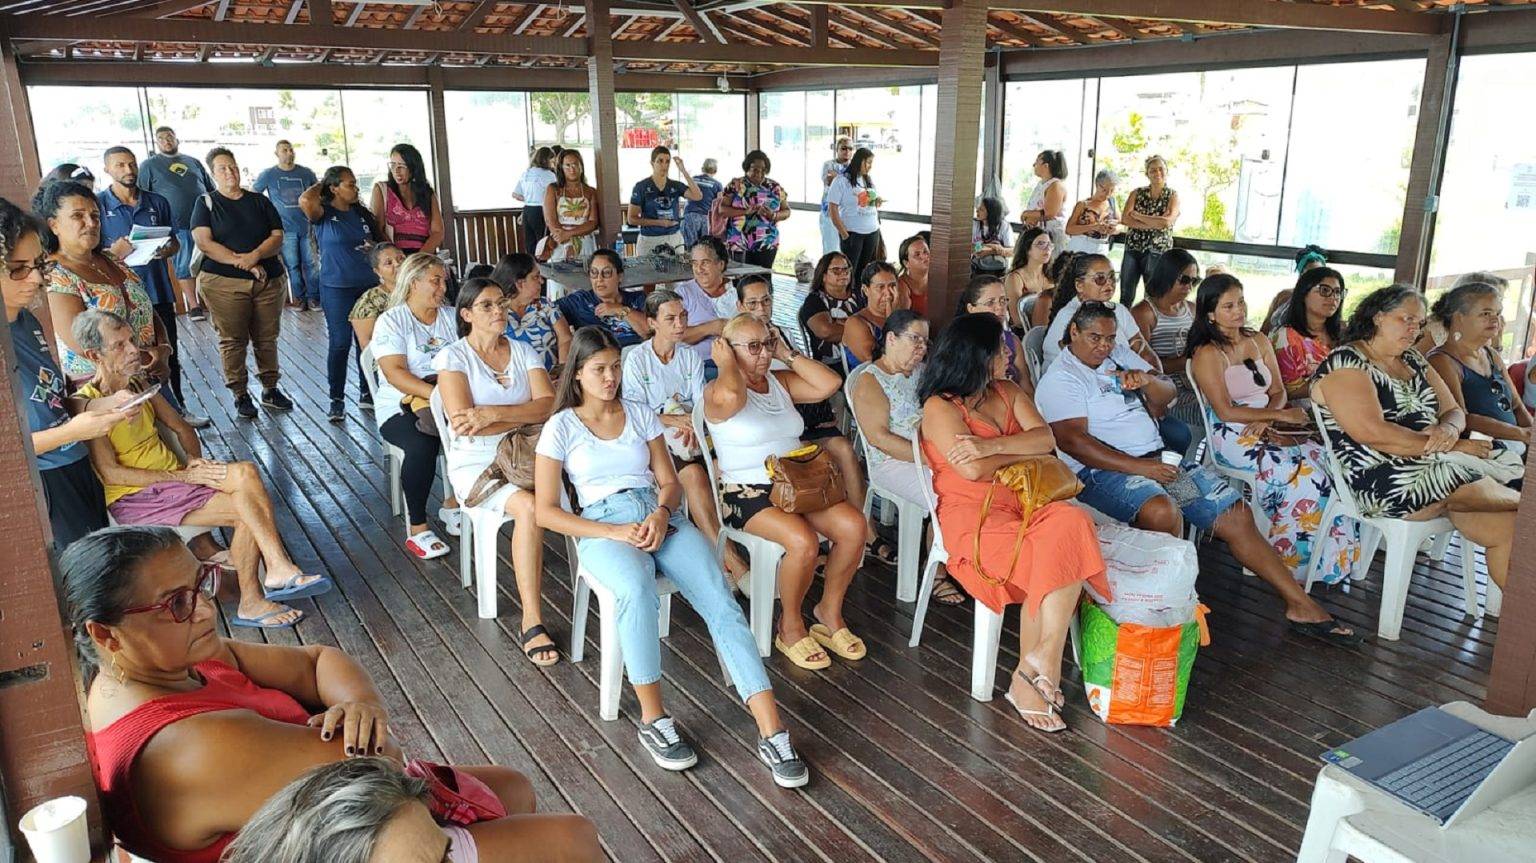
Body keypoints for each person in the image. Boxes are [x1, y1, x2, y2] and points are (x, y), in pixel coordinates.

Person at [64, 526, 600, 863]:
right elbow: (381, 759)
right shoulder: (190, 746)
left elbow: (315, 660)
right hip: (357, 836)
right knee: (573, 839)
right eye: (175, 603)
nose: (206, 609)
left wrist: (362, 705)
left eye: (202, 584)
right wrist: (357, 721)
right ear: (105, 634)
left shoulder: (160, 663)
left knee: (514, 786)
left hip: (353, 821)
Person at [534, 327, 809, 786]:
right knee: (636, 590)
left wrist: (662, 514)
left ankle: (772, 730)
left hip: (658, 514)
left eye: (615, 368)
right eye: (599, 370)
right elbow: (546, 511)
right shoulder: (561, 427)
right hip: (603, 525)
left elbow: (669, 481)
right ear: (577, 374)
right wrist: (613, 531)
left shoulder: (639, 413)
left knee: (720, 598)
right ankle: (654, 719)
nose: (610, 378)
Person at [1037, 301, 1357, 643]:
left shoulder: (1118, 356)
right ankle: (1165, 616)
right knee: (1162, 511)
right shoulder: (1062, 378)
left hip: (1156, 461)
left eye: (1110, 337)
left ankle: (1300, 605)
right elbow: (1072, 442)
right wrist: (1142, 468)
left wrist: (1146, 380)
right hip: (1100, 472)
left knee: (1235, 515)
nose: (1104, 345)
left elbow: (1169, 392)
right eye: (1094, 337)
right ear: (1074, 332)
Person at [73, 309, 331, 628]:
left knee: (247, 473)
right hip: (137, 497)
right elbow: (111, 474)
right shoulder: (89, 405)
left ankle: (275, 570)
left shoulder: (139, 385)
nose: (133, 350)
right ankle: (258, 592)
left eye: (131, 341)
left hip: (176, 484)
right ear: (93, 355)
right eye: (119, 345)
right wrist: (183, 475)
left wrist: (194, 460)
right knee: (247, 509)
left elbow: (182, 428)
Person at [917, 312, 1109, 732]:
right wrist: (1017, 451)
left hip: (1027, 503)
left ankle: (1038, 664)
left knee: (1073, 523)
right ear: (976, 356)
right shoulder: (939, 407)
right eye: (1000, 350)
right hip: (975, 519)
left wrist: (992, 447)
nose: (1009, 355)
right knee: (1055, 556)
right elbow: (970, 472)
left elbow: (1046, 440)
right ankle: (1035, 673)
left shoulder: (1007, 391)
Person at [1313, 285, 1517, 591]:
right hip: (1380, 477)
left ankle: (1520, 616)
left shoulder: (1412, 359)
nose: (1414, 329)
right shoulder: (1348, 362)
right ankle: (1526, 503)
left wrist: (1448, 430)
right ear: (1378, 317)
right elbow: (1372, 433)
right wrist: (1455, 445)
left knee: (1509, 529)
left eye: (1419, 323)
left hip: (1435, 463)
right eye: (1406, 319)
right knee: (1462, 474)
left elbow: (1454, 411)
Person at [703, 314, 868, 671]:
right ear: (727, 351)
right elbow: (733, 395)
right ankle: (790, 626)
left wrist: (785, 353)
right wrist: (727, 363)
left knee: (854, 527)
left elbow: (830, 383)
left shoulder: (779, 382)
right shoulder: (717, 391)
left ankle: (828, 611)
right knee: (802, 541)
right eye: (753, 347)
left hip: (797, 484)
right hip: (746, 493)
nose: (763, 353)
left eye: (767, 343)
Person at [1186, 275, 1359, 585]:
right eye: (1228, 306)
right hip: (1233, 432)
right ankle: (1288, 563)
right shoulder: (1207, 353)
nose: (1239, 310)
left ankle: (1329, 561)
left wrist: (1269, 419)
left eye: (1241, 302)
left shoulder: (1257, 339)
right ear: (1210, 313)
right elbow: (1225, 411)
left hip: (1267, 422)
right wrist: (1275, 416)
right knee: (1302, 475)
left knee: (1330, 462)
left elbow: (1278, 390)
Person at [435, 278, 558, 660]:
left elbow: (549, 405)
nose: (498, 311)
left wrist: (491, 413)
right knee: (529, 507)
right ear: (467, 315)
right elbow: (464, 423)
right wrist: (519, 414)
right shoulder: (454, 357)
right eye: (486, 305)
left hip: (527, 452)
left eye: (501, 303)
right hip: (477, 460)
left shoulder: (522, 351)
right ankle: (532, 619)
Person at [0, 199, 124, 549]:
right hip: (43, 478)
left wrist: (96, 407)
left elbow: (50, 402)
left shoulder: (25, 320)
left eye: (38, 265)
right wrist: (73, 431)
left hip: (75, 460)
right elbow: (9, 448)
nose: (36, 278)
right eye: (17, 269)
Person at [622, 289, 746, 579]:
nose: (680, 324)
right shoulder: (637, 359)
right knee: (693, 475)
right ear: (652, 323)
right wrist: (673, 420)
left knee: (724, 467)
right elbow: (633, 413)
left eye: (683, 316)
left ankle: (735, 543)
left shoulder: (689, 356)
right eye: (671, 319)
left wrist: (691, 423)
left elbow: (700, 401)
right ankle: (730, 560)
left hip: (691, 434)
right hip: (654, 440)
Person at [849, 310, 963, 607]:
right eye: (915, 339)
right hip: (892, 462)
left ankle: (957, 557)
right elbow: (879, 438)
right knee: (949, 495)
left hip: (931, 454)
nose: (922, 348)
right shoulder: (871, 380)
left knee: (969, 483)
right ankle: (936, 570)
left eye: (925, 342)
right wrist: (928, 457)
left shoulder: (923, 372)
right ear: (891, 338)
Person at [97, 147, 206, 426]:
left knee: (167, 353)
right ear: (107, 169)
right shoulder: (98, 206)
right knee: (126, 357)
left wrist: (168, 249)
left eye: (131, 164)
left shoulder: (157, 202)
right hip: (120, 300)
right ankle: (139, 419)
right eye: (120, 165)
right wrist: (114, 254)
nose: (128, 170)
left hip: (157, 291)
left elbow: (174, 241)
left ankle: (178, 410)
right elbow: (91, 257)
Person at [37, 180, 176, 398]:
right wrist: (147, 359)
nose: (91, 223)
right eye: (78, 216)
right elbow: (82, 344)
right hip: (107, 389)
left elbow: (144, 307)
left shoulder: (112, 259)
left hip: (148, 374)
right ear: (54, 225)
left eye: (95, 216)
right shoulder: (56, 275)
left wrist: (164, 348)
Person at [190, 147, 293, 420]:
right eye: (222, 168)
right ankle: (240, 393)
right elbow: (204, 242)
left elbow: (277, 235)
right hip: (223, 283)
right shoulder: (206, 203)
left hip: (268, 280)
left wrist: (255, 256)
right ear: (213, 174)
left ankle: (270, 388)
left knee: (267, 338)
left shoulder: (259, 201)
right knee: (233, 339)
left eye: (233, 166)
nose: (230, 172)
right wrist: (244, 263)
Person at [371, 253, 462, 559]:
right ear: (413, 283)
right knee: (422, 443)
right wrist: (437, 397)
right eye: (435, 281)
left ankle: (453, 503)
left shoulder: (451, 317)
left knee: (476, 429)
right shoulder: (392, 320)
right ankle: (418, 527)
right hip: (400, 403)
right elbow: (395, 373)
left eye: (444, 281)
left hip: (447, 394)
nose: (443, 288)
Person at [298, 166, 380, 423]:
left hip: (367, 285)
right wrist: (323, 181)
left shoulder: (361, 214)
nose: (355, 188)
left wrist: (373, 248)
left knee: (366, 341)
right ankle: (337, 399)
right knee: (340, 341)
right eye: (349, 184)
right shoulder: (323, 214)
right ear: (333, 188)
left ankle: (368, 391)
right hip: (336, 286)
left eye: (355, 184)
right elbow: (305, 200)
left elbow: (380, 244)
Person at [1427, 281, 1532, 458]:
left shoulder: (1491, 354)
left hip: (1515, 445)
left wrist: (1531, 434)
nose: (1495, 320)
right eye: (1485, 313)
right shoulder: (1441, 361)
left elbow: (1516, 405)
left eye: (1498, 313)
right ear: (1459, 318)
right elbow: (1462, 418)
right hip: (1481, 451)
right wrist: (1521, 434)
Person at [138, 126, 213, 320]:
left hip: (204, 222)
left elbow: (210, 188)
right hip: (177, 225)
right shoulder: (149, 166)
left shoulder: (193, 162)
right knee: (184, 265)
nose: (166, 141)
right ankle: (194, 306)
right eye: (161, 138)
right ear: (157, 143)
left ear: (176, 139)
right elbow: (142, 195)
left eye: (169, 137)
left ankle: (214, 302)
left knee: (211, 261)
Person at [1042, 252, 1158, 372]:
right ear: (1079, 285)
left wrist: (1157, 375)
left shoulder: (1119, 310)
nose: (1109, 283)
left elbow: (1144, 350)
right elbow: (1090, 369)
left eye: (1112, 277)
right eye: (1100, 278)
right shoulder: (1070, 316)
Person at [1131, 248, 1199, 431]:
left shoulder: (1192, 309)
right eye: (1184, 280)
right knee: (1211, 410)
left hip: (1195, 379)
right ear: (1167, 275)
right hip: (1165, 386)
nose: (1189, 287)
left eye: (1194, 281)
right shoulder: (1144, 313)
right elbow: (1141, 365)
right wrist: (1186, 362)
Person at [253, 140, 320, 311]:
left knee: (312, 264)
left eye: (291, 150)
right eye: (284, 150)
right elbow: (254, 195)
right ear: (277, 154)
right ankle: (299, 298)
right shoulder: (268, 174)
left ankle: (314, 298)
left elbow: (318, 194)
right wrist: (265, 216)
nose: (289, 153)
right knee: (293, 265)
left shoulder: (306, 173)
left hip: (307, 227)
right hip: (285, 230)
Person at [1271, 267, 1346, 407]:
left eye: (1338, 292)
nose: (1333, 298)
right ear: (1304, 294)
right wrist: (1332, 383)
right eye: (1325, 290)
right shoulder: (1285, 337)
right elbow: (1287, 391)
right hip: (1304, 412)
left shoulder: (1344, 332)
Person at [490, 252, 569, 373]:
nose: (541, 281)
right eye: (536, 277)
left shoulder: (545, 306)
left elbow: (565, 339)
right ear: (519, 284)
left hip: (554, 379)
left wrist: (563, 373)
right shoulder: (496, 314)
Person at [553, 249, 648, 347]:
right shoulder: (579, 302)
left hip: (634, 354)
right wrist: (565, 338)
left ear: (620, 276)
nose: (599, 279)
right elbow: (548, 311)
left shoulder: (637, 299)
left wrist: (619, 309)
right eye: (594, 272)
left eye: (606, 273)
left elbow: (650, 332)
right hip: (596, 355)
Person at [1117, 155, 1179, 305]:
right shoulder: (1136, 193)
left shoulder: (1172, 195)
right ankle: (1123, 320)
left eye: (1161, 169)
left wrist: (1138, 216)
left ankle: (1148, 320)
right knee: (1126, 294)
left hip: (1158, 250)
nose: (1157, 173)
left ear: (1166, 171)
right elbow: (1125, 219)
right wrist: (1155, 223)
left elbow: (1166, 222)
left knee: (1152, 296)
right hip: (1133, 248)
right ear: (1147, 174)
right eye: (1153, 170)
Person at [957, 274, 1031, 392]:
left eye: (1003, 301)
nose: (999, 307)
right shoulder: (963, 344)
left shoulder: (1012, 341)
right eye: (990, 302)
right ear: (971, 309)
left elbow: (1027, 388)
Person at [674, 236, 740, 367]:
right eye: (695, 263)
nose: (699, 269)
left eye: (705, 262)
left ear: (721, 264)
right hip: (697, 365)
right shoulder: (683, 293)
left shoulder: (737, 291)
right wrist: (711, 327)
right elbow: (675, 334)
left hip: (737, 362)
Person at [720, 150, 789, 269]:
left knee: (763, 277)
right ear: (747, 168)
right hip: (739, 243)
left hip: (766, 243)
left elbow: (787, 211)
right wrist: (745, 212)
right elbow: (722, 210)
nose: (759, 173)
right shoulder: (736, 185)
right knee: (740, 278)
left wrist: (773, 215)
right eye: (755, 169)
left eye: (763, 170)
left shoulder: (774, 187)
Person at [368, 143, 442, 254]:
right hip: (395, 257)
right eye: (393, 165)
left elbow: (438, 232)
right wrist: (398, 257)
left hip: (424, 256)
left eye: (402, 166)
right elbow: (378, 229)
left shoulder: (427, 193)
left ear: (413, 167)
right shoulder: (382, 190)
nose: (396, 170)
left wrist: (418, 258)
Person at [627, 146, 702, 255]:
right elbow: (632, 219)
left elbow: (697, 196)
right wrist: (659, 223)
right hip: (649, 239)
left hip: (673, 237)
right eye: (660, 161)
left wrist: (683, 170)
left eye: (667, 161)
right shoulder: (641, 187)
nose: (664, 165)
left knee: (677, 266)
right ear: (652, 163)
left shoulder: (675, 185)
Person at [797, 251, 864, 366]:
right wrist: (862, 329)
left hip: (865, 355)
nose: (843, 273)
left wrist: (839, 323)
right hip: (833, 363)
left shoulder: (859, 295)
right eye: (836, 270)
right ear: (823, 275)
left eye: (846, 269)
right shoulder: (815, 300)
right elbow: (826, 332)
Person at [827, 147, 881, 281]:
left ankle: (860, 293)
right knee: (850, 273)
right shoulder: (841, 181)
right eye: (868, 162)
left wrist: (876, 201)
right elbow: (832, 209)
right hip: (853, 234)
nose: (870, 166)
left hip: (872, 231)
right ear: (859, 161)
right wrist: (844, 234)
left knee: (865, 272)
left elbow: (870, 203)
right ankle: (850, 294)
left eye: (871, 163)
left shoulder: (867, 179)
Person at [540, 149, 601, 264]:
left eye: (575, 164)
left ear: (581, 167)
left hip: (585, 241)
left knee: (585, 272)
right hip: (560, 240)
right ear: (561, 168)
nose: (572, 169)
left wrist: (569, 234)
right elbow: (550, 220)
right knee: (559, 272)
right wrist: (566, 241)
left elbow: (593, 222)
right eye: (567, 165)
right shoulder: (553, 189)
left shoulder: (590, 191)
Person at [349, 242, 404, 361]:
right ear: (378, 271)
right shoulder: (369, 302)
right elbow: (368, 349)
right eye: (389, 263)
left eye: (401, 258)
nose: (398, 264)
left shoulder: (420, 289)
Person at [1261, 244, 1331, 334]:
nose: (1315, 279)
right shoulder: (1284, 297)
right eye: (1309, 274)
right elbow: (1266, 328)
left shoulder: (1329, 300)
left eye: (1320, 274)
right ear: (1301, 275)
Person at [841, 261, 899, 369]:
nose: (888, 294)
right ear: (866, 290)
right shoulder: (855, 323)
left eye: (892, 286)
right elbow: (876, 362)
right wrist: (891, 318)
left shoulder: (902, 317)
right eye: (880, 287)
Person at [1019, 150, 1068, 257]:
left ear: (1046, 166)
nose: (1034, 165)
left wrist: (1026, 214)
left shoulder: (1055, 185)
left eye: (1037, 161)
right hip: (1037, 234)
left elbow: (1049, 214)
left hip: (1051, 236)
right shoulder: (1042, 184)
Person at [1003, 227, 1053, 332]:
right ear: (1027, 249)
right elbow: (1017, 320)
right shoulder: (1015, 278)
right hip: (1024, 333)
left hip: (1051, 328)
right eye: (1041, 244)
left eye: (1049, 245)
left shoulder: (1052, 275)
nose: (1047, 249)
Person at [1063, 168, 1120, 256]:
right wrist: (1093, 227)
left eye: (1111, 190)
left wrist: (1114, 229)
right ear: (1097, 185)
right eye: (1104, 190)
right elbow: (1069, 229)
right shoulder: (1083, 204)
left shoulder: (1112, 203)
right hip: (1080, 245)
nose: (1107, 194)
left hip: (1102, 247)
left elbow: (1120, 225)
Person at [512, 146, 557, 252]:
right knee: (543, 242)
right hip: (542, 210)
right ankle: (543, 262)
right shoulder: (549, 175)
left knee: (530, 243)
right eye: (552, 160)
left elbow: (515, 194)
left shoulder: (526, 174)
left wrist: (530, 198)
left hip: (527, 210)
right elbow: (556, 194)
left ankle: (532, 261)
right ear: (547, 160)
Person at [819, 137, 854, 256]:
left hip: (848, 214)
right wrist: (845, 180)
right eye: (843, 148)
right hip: (829, 213)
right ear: (837, 149)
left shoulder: (854, 167)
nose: (847, 151)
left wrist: (837, 177)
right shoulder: (828, 164)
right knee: (831, 249)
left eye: (850, 149)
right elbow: (829, 181)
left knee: (847, 249)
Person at [681, 157, 722, 248]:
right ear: (715, 171)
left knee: (690, 248)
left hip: (690, 216)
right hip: (705, 218)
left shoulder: (693, 179)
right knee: (705, 248)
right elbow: (719, 204)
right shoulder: (717, 185)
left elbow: (687, 194)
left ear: (703, 168)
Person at [972, 196, 1013, 271]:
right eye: (978, 208)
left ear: (991, 213)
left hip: (998, 269)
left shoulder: (1004, 226)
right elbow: (970, 247)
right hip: (977, 267)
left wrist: (990, 251)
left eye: (981, 209)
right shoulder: (974, 224)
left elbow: (1012, 251)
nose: (977, 211)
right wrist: (993, 246)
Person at [895, 233, 930, 315]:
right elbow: (901, 320)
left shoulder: (939, 279)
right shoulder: (901, 286)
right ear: (906, 263)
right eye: (917, 254)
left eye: (925, 251)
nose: (924, 256)